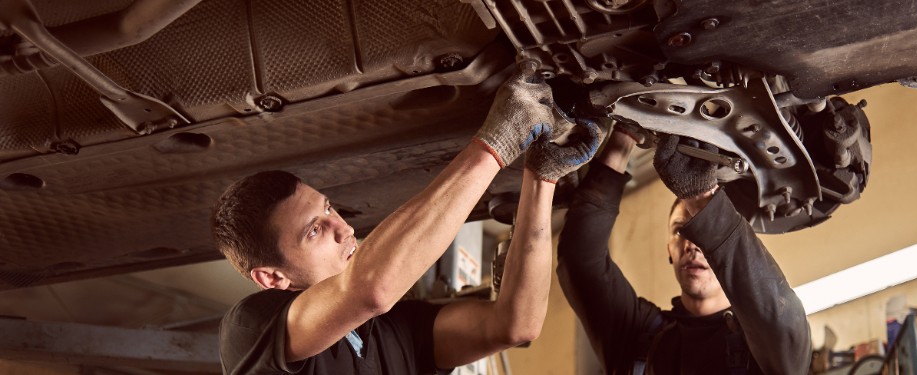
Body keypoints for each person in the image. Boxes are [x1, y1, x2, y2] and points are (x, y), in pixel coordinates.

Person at [211, 71, 605, 374]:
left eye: (329, 209)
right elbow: (371, 288)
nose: (344, 228)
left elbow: (512, 324)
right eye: (314, 231)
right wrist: (496, 144)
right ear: (273, 278)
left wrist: (543, 177)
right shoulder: (250, 329)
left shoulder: (390, 328)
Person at [557, 127, 811, 374]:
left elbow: (781, 320)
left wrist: (700, 196)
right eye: (681, 230)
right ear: (670, 249)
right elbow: (580, 260)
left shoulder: (766, 352)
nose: (692, 243)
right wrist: (624, 136)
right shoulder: (638, 336)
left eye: (702, 231)